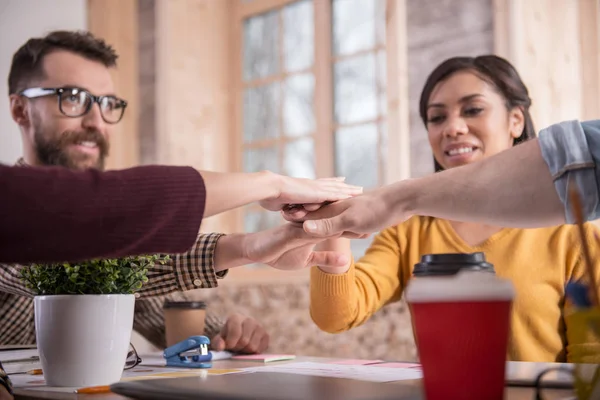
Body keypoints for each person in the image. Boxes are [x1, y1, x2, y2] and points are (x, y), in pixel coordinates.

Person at [0, 30, 352, 358]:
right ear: (20, 109)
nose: (97, 121)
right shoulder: (11, 209)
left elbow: (145, 300)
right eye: (73, 98)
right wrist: (257, 216)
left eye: (107, 103)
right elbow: (70, 263)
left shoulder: (114, 239)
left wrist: (223, 334)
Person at [305, 55, 600, 363]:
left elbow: (591, 365)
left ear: (516, 120)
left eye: (473, 110)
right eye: (437, 118)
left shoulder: (574, 237)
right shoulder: (408, 231)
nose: (453, 128)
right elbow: (337, 315)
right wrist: (333, 221)